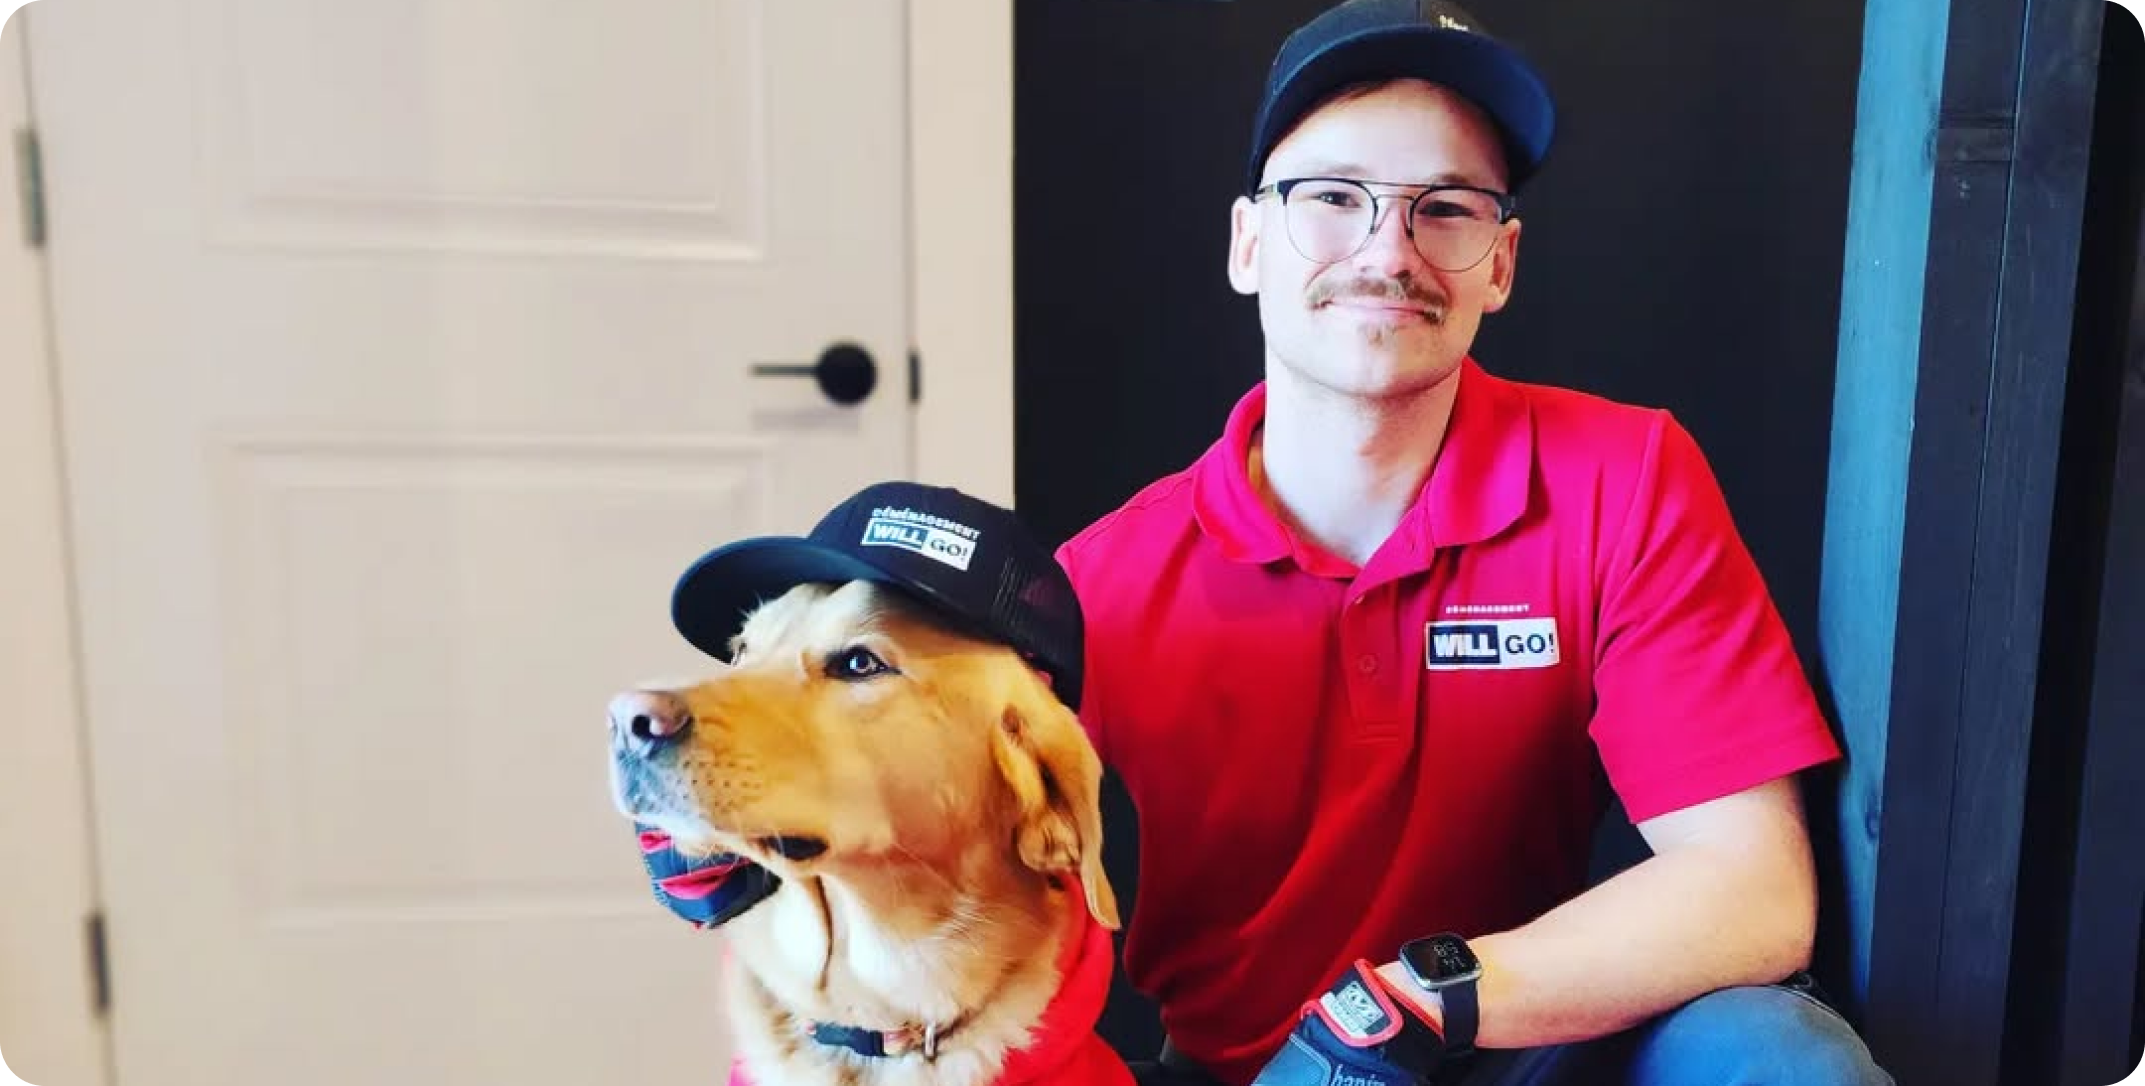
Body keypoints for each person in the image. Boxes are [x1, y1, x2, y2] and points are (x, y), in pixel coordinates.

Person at [1051, 2, 1895, 1084]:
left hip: (1521, 1036)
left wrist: (1413, 1000)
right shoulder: (1100, 582)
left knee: (1774, 1054)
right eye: (1334, 198)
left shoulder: (1620, 480)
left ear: (1499, 264)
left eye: (1444, 209)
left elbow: (1752, 887)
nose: (1387, 251)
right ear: (1249, 244)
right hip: (1249, 1071)